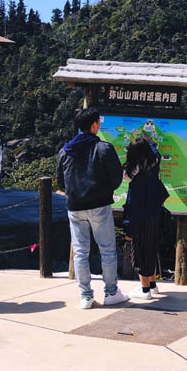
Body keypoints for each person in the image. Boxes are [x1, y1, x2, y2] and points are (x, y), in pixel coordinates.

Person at [56, 108, 129, 309]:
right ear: (94, 125)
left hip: (75, 208)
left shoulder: (65, 151)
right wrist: (103, 189)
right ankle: (111, 292)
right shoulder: (104, 148)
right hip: (99, 206)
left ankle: (86, 296)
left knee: (80, 252)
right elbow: (116, 178)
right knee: (107, 250)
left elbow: (61, 181)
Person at [122, 137, 169, 299]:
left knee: (142, 254)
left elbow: (134, 207)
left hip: (142, 219)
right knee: (151, 250)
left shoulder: (137, 178)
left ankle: (145, 290)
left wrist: (129, 229)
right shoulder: (154, 162)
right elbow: (154, 149)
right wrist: (146, 143)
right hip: (155, 215)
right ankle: (153, 285)